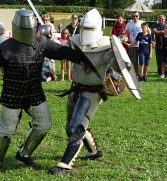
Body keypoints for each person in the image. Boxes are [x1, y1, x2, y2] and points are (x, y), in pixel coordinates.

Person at [0, 9, 88, 173]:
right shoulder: (6, 47)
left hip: (34, 92)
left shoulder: (41, 43)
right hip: (12, 93)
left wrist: (81, 59)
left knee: (44, 125)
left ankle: (24, 153)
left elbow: (62, 51)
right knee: (7, 130)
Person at [49, 9, 117, 175]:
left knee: (76, 129)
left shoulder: (105, 46)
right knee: (69, 128)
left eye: (89, 29)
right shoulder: (75, 40)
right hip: (75, 88)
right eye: (84, 28)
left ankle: (65, 165)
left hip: (92, 92)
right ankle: (94, 151)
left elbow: (116, 64)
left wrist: (117, 59)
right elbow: (67, 52)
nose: (86, 32)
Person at [125, 11, 146, 76]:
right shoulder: (129, 24)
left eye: (136, 16)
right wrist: (127, 39)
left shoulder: (142, 23)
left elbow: (148, 31)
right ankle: (137, 73)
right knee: (134, 61)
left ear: (139, 16)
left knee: (142, 60)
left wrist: (147, 39)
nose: (135, 17)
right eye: (133, 16)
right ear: (132, 17)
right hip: (133, 45)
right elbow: (125, 32)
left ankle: (143, 74)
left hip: (142, 44)